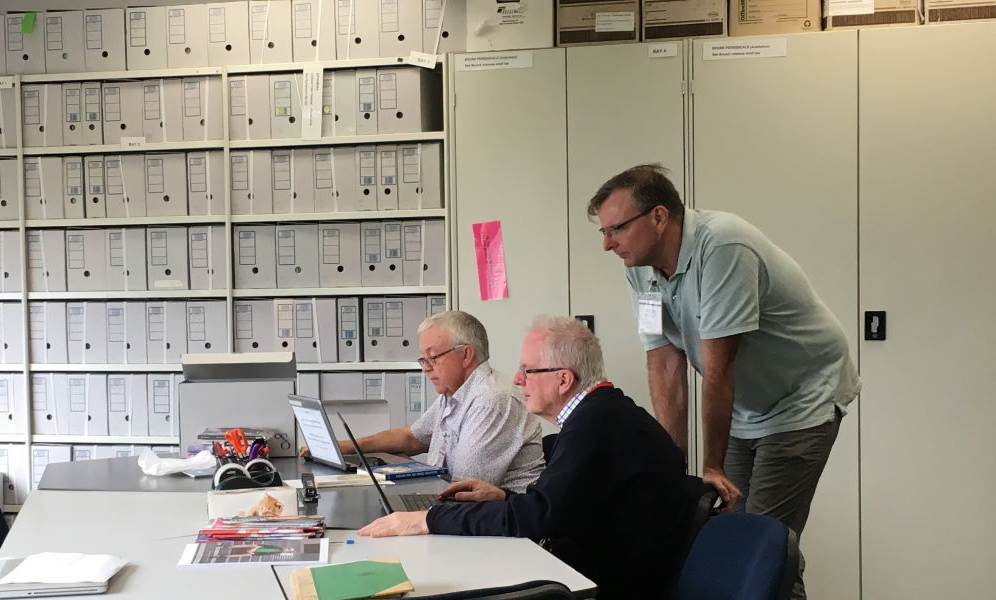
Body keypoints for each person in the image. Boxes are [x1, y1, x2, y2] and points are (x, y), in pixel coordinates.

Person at [589, 164, 858, 599]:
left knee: (763, 546)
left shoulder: (723, 246)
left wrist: (711, 465)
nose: (607, 244)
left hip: (802, 397)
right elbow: (664, 363)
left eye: (616, 228)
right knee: (732, 540)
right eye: (603, 232)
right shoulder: (639, 267)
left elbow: (719, 367)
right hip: (744, 406)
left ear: (659, 217)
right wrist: (672, 466)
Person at [357, 315, 698, 600]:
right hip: (610, 566)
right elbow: (561, 507)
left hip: (611, 585)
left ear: (563, 379)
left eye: (528, 370)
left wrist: (428, 519)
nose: (517, 380)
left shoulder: (594, 425)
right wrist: (504, 497)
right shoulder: (605, 412)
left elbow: (539, 518)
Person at [336, 311, 546, 491]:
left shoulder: (491, 400)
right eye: (423, 359)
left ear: (465, 355)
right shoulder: (456, 392)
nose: (425, 368)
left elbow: (463, 488)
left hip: (499, 519)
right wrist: (345, 447)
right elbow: (412, 438)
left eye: (433, 357)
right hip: (463, 509)